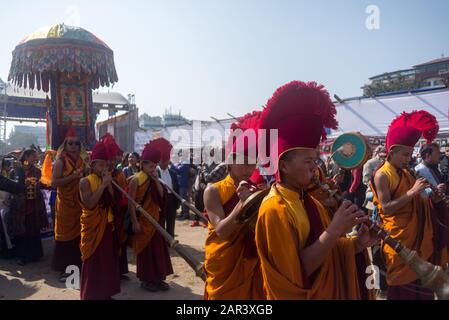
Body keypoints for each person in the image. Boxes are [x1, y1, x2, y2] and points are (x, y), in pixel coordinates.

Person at [255, 81, 377, 300]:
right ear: (283, 165)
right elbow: (297, 272)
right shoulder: (275, 208)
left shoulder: (308, 199)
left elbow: (328, 252)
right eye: (308, 160)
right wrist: (334, 229)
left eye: (316, 159)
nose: (315, 166)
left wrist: (359, 243)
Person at [372, 110, 449, 300]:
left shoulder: (406, 173)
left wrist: (434, 200)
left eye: (409, 155)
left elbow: (419, 202)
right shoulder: (382, 174)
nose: (408, 159)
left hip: (420, 239)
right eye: (405, 155)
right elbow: (387, 207)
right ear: (392, 152)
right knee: (403, 288)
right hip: (399, 241)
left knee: (423, 285)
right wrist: (413, 191)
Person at [203, 111, 265, 300]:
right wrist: (243, 203)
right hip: (225, 263)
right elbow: (222, 230)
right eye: (243, 163)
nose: (248, 169)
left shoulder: (257, 190)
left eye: (252, 164)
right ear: (230, 162)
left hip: (251, 259)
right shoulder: (213, 191)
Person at [128, 141, 173, 292]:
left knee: (159, 251)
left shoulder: (156, 178)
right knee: (146, 252)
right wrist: (135, 222)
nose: (152, 169)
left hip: (156, 221)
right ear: (141, 164)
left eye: (154, 166)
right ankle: (147, 280)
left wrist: (155, 180)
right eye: (149, 166)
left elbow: (162, 197)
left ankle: (159, 278)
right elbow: (131, 203)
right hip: (144, 221)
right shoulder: (136, 179)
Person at [79, 139, 120, 300]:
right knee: (94, 261)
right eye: (100, 165)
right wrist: (103, 185)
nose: (103, 168)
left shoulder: (108, 179)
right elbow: (89, 204)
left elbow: (113, 201)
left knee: (107, 261)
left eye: (105, 165)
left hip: (107, 225)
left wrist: (109, 184)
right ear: (92, 165)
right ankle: (92, 294)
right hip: (93, 226)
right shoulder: (85, 181)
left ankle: (106, 293)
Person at [51, 125, 87, 282]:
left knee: (79, 235)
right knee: (65, 237)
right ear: (64, 145)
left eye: (76, 143)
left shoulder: (82, 160)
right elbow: (54, 183)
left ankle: (78, 267)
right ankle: (65, 270)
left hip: (79, 203)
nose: (74, 146)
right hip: (65, 205)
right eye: (70, 143)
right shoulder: (60, 161)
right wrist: (73, 177)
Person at [8, 149, 48, 265]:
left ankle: (35, 254)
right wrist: (23, 185)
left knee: (33, 228)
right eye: (33, 156)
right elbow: (13, 186)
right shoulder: (16, 171)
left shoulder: (37, 171)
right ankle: (22, 256)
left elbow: (43, 183)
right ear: (26, 156)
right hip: (20, 204)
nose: (35, 158)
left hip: (34, 203)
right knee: (21, 230)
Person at [154, 138, 181, 238]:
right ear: (159, 161)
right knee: (161, 221)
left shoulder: (173, 173)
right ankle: (161, 241)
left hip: (171, 200)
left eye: (167, 161)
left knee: (171, 221)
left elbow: (176, 188)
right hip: (160, 200)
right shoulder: (155, 173)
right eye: (163, 161)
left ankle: (170, 240)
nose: (165, 163)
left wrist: (177, 203)